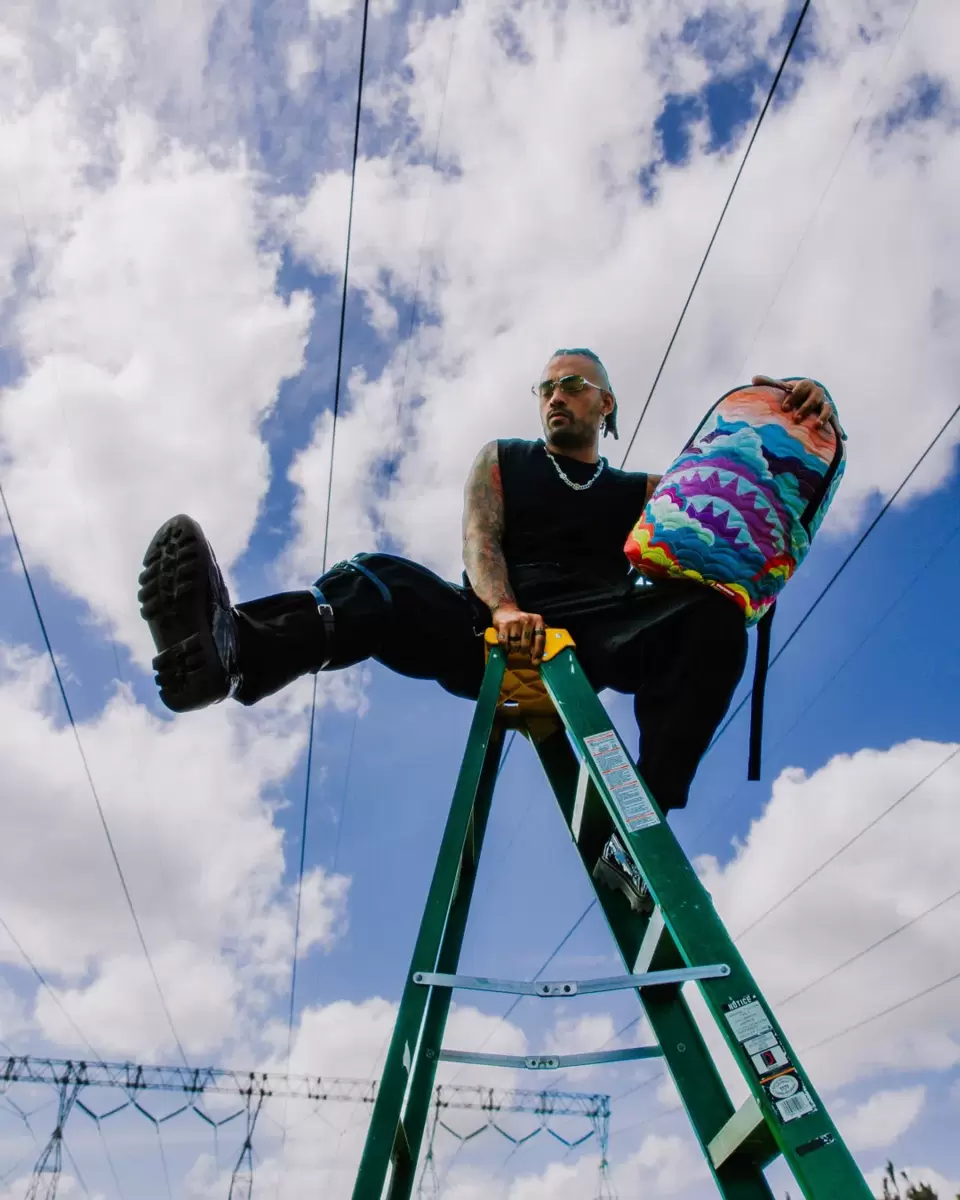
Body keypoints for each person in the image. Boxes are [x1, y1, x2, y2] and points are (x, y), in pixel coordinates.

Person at [138, 350, 835, 911]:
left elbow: (740, 488)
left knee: (714, 618)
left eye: (573, 385)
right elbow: (481, 541)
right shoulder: (504, 458)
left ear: (606, 405)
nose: (556, 396)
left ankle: (642, 825)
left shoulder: (646, 492)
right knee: (378, 576)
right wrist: (503, 609)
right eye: (546, 387)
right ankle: (237, 651)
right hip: (490, 622)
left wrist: (799, 408)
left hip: (597, 631)